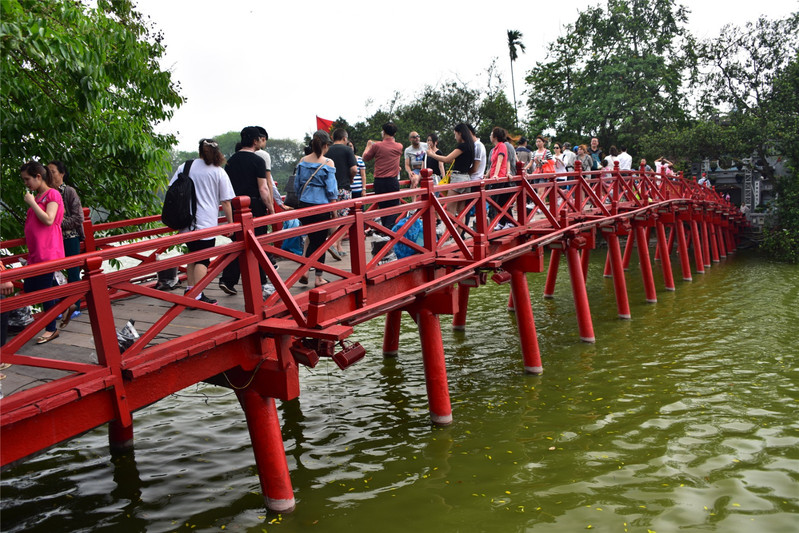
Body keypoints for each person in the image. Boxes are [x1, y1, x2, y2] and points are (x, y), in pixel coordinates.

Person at [171, 139, 234, 305]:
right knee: (203, 260)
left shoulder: (186, 167)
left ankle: (190, 290)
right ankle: (197, 296)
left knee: (193, 256)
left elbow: (173, 189)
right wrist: (230, 224)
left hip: (186, 221)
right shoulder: (218, 171)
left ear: (199, 151)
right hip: (206, 222)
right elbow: (226, 201)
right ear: (217, 153)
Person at [219, 126, 275, 298]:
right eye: (259, 138)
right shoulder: (258, 161)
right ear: (254, 141)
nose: (260, 141)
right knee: (258, 244)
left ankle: (227, 280)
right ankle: (262, 284)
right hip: (254, 208)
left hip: (236, 208)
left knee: (239, 245)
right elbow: (263, 189)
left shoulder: (231, 161)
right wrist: (272, 210)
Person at [20, 161, 64, 344]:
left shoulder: (52, 194)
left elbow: (48, 219)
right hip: (36, 253)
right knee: (30, 289)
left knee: (44, 293)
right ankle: (64, 300)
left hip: (48, 251)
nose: (26, 184)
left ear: (39, 176)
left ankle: (51, 329)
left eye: (28, 179)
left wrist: (31, 202)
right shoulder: (39, 197)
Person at [295, 130, 338, 287]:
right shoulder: (328, 163)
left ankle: (305, 270)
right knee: (320, 243)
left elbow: (296, 184)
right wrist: (334, 211)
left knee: (312, 240)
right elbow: (331, 190)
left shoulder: (303, 160)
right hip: (321, 206)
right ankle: (317, 277)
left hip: (305, 206)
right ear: (326, 145)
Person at [46, 160, 84, 327]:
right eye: (48, 171)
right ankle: (60, 306)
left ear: (62, 174)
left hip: (70, 237)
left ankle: (74, 305)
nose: (50, 175)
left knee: (73, 272)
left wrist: (57, 224)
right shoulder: (47, 193)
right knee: (53, 273)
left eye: (53, 171)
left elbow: (78, 217)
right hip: (53, 240)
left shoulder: (69, 192)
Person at [426, 123, 475, 216]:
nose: (455, 137)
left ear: (460, 133)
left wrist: (431, 154)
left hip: (458, 178)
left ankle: (449, 230)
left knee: (450, 209)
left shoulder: (462, 146)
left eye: (455, 134)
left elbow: (447, 159)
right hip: (466, 178)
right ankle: (459, 231)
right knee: (461, 211)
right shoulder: (471, 146)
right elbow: (452, 160)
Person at [362, 122, 403, 230]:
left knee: (383, 208)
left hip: (379, 182)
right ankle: (388, 232)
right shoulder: (399, 146)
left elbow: (365, 158)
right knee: (394, 207)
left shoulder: (377, 146)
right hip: (392, 181)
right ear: (394, 134)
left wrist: (368, 146)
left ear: (383, 132)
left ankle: (386, 231)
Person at [487, 127, 514, 229]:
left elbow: (500, 160)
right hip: (495, 175)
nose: (490, 136)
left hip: (499, 177)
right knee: (500, 201)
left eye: (491, 134)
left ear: (495, 136)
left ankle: (502, 222)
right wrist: (487, 175)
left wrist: (496, 175)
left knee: (495, 201)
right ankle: (502, 222)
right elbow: (493, 163)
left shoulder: (502, 146)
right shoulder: (495, 148)